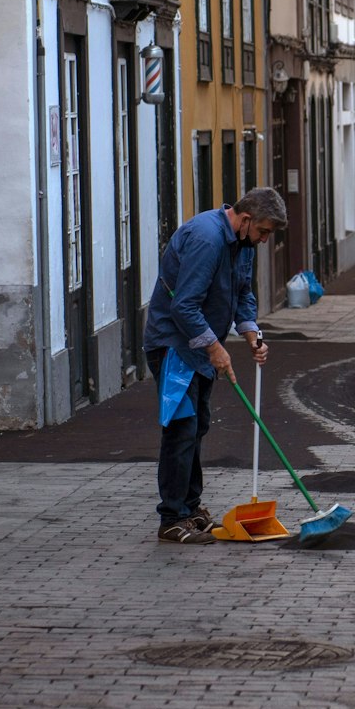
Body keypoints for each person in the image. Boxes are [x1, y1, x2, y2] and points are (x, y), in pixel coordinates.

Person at [144, 187, 287, 544]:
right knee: (181, 429)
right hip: (173, 346)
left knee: (198, 426)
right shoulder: (207, 239)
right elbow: (184, 306)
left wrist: (252, 332)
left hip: (201, 347)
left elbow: (242, 293)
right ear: (247, 219)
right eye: (264, 232)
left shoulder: (243, 244)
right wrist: (215, 348)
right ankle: (172, 518)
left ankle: (190, 509)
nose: (265, 240)